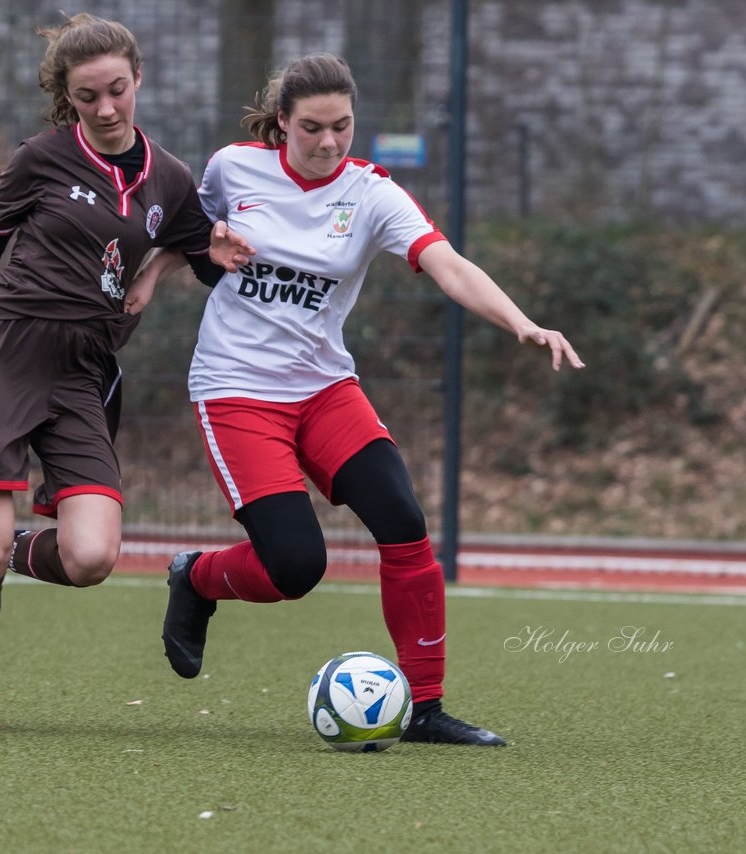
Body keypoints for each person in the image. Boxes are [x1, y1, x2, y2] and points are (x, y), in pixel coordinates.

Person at [130, 53, 585, 747]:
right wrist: (154, 275)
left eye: (343, 126)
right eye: (311, 128)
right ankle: (197, 578)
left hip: (324, 387)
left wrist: (520, 319)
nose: (329, 143)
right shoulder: (232, 168)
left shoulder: (373, 194)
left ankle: (425, 709)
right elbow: (190, 231)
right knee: (295, 567)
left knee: (402, 520)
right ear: (282, 122)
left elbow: (447, 263)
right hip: (237, 390)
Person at [0, 13, 233, 732]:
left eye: (117, 90)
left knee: (91, 557)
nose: (105, 109)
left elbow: (204, 257)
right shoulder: (41, 158)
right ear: (68, 97)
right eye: (88, 96)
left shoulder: (174, 179)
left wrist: (211, 259)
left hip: (85, 370)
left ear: (138, 79)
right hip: (6, 352)